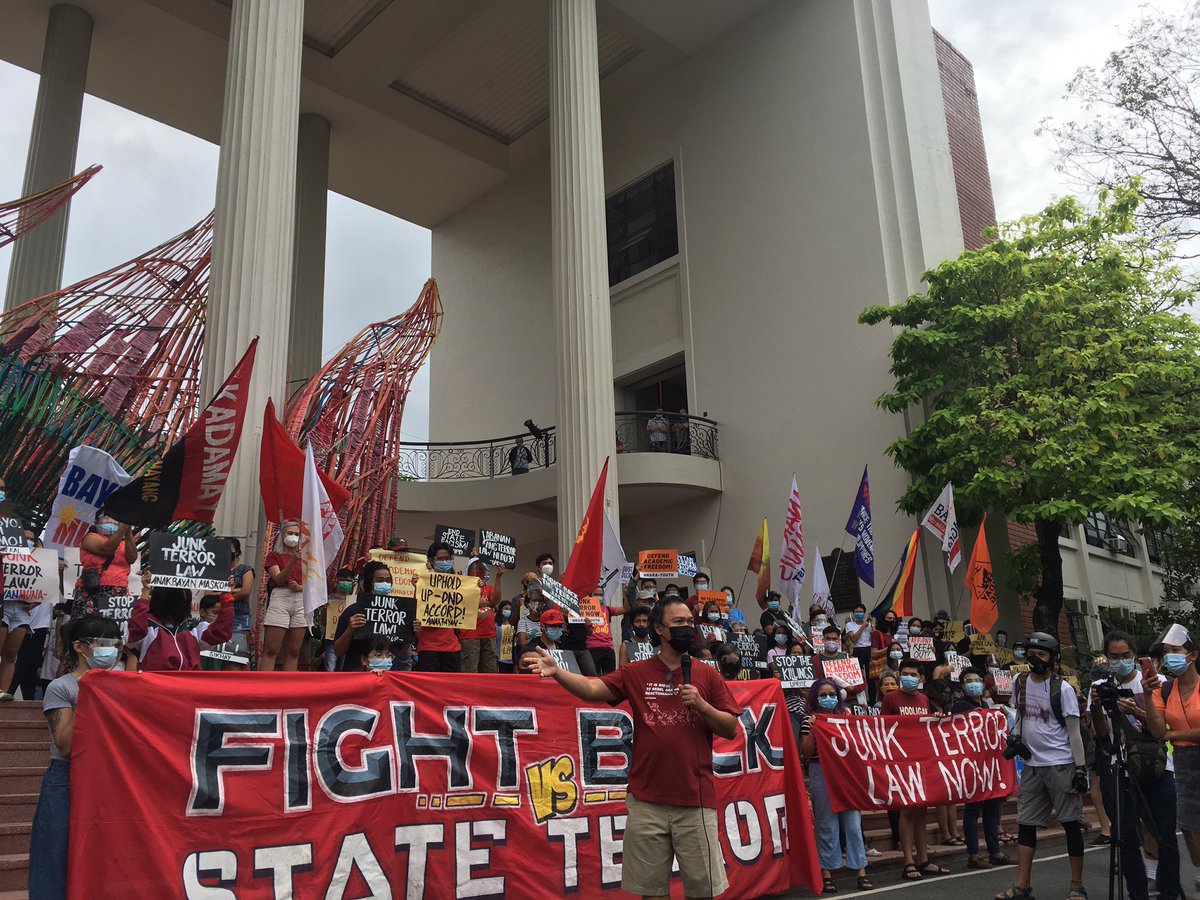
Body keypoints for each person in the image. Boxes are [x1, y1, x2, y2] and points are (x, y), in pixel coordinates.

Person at [526, 595, 741, 897]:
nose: (687, 628)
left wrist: (703, 706)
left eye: (690, 622)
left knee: (702, 891)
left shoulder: (706, 674)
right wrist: (558, 672)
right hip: (646, 802)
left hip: (696, 801)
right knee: (651, 892)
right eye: (678, 623)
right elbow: (592, 689)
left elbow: (730, 728)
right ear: (660, 629)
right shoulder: (636, 672)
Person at [28, 614, 122, 899]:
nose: (111, 651)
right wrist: (91, 690)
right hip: (66, 780)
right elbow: (66, 745)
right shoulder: (62, 688)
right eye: (103, 644)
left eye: (116, 644)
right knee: (56, 856)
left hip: (110, 778)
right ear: (80, 647)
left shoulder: (123, 684)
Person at [994, 632, 1087, 900]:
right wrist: (1016, 738)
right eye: (1031, 653)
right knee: (1026, 823)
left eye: (1042, 654)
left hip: (1061, 764)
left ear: (1053, 659)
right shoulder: (1020, 682)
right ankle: (1022, 885)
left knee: (1070, 823)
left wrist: (1079, 769)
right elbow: (1021, 715)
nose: (1035, 658)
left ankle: (1077, 885)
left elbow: (1074, 733)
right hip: (1032, 764)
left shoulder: (1064, 690)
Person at [1089, 629, 1179, 900]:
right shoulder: (1101, 687)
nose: (1120, 661)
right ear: (1107, 658)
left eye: (1126, 656)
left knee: (1164, 833)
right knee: (1125, 836)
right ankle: (1137, 892)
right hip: (1119, 767)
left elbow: (1163, 728)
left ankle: (1169, 891)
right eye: (1114, 657)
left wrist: (1136, 710)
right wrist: (1095, 707)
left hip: (1156, 765)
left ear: (1135, 656)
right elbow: (1101, 735)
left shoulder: (1157, 682)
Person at [800, 678, 874, 893]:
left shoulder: (847, 717)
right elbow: (805, 752)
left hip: (846, 773)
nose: (828, 698)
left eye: (832, 694)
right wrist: (814, 728)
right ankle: (828, 872)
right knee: (827, 824)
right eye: (823, 695)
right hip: (821, 771)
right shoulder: (808, 719)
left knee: (852, 823)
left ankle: (860, 870)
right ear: (815, 697)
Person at [880, 658, 950, 879]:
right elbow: (881, 728)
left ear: (921, 678)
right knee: (907, 810)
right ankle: (908, 861)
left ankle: (923, 859)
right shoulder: (891, 698)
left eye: (913, 674)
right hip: (901, 761)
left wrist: (936, 718)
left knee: (921, 810)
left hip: (921, 760)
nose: (908, 677)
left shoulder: (923, 699)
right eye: (904, 673)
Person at [1144, 627, 1200, 899]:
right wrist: (1147, 695)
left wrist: (1173, 734)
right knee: (1190, 826)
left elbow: (1167, 732)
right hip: (1184, 762)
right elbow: (1157, 730)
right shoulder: (1165, 689)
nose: (1169, 658)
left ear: (1192, 655)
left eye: (1175, 651)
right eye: (1166, 653)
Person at [952, 667, 1011, 868]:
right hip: (971, 765)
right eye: (969, 681)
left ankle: (994, 851)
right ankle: (974, 854)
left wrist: (1000, 715)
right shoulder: (960, 706)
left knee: (992, 808)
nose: (974, 683)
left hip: (989, 765)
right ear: (962, 685)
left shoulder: (987, 705)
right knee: (973, 809)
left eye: (977, 680)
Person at [128, 585, 233, 671]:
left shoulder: (193, 628)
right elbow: (135, 631)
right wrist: (146, 591)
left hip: (187, 688)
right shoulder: (147, 627)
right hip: (156, 689)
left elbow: (220, 632)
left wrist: (227, 598)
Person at [333, 562, 410, 672]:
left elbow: (399, 651)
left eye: (388, 580)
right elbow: (338, 651)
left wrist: (411, 635)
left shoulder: (397, 613)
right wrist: (350, 630)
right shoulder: (353, 611)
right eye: (380, 580)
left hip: (388, 677)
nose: (385, 583)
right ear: (369, 583)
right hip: (357, 675)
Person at [260, 521, 308, 671]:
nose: (293, 537)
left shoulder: (307, 558)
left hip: (301, 599)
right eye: (290, 533)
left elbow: (314, 584)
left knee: (294, 651)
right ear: (282, 535)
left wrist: (300, 587)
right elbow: (279, 579)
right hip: (281, 597)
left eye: (297, 534)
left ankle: (289, 688)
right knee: (272, 648)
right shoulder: (274, 556)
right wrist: (292, 561)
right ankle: (262, 687)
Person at [0, 527, 38, 700]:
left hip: (22, 611)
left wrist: (36, 601)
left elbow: (44, 587)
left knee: (11, 655)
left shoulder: (39, 560)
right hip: (3, 606)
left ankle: (2, 693)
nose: (27, 540)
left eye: (31, 538)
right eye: (24, 537)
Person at [73, 512, 137, 617]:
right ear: (96, 523)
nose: (110, 521)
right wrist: (122, 530)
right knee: (87, 626)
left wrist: (128, 534)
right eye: (106, 518)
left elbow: (132, 558)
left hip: (119, 588)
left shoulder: (123, 543)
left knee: (112, 628)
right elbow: (107, 549)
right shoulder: (90, 538)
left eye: (115, 519)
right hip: (94, 588)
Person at [460, 557, 502, 673]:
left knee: (490, 669)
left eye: (479, 568)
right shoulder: (463, 587)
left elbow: (497, 599)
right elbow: (467, 603)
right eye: (473, 568)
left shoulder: (488, 588)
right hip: (469, 635)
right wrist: (490, 603)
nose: (477, 571)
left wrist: (498, 577)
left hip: (489, 634)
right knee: (470, 669)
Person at [515, 575, 545, 655]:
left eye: (540, 600)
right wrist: (540, 639)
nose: (537, 603)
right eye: (534, 600)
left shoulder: (546, 621)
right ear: (528, 603)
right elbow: (523, 643)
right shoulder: (523, 622)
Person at [495, 599, 516, 673]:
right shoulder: (496, 625)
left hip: (511, 659)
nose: (508, 611)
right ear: (501, 610)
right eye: (506, 609)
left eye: (510, 609)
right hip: (499, 658)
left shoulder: (513, 624)